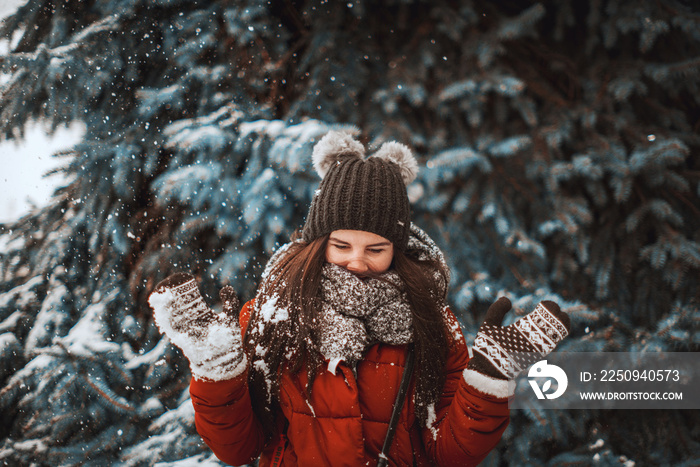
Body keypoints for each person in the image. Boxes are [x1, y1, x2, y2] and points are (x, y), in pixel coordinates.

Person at [148, 130, 571, 466]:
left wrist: (488, 382)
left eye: (376, 249)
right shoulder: (273, 314)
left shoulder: (431, 324)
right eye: (341, 245)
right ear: (318, 242)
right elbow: (239, 449)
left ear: (397, 251)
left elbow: (449, 454)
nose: (357, 261)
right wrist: (216, 372)